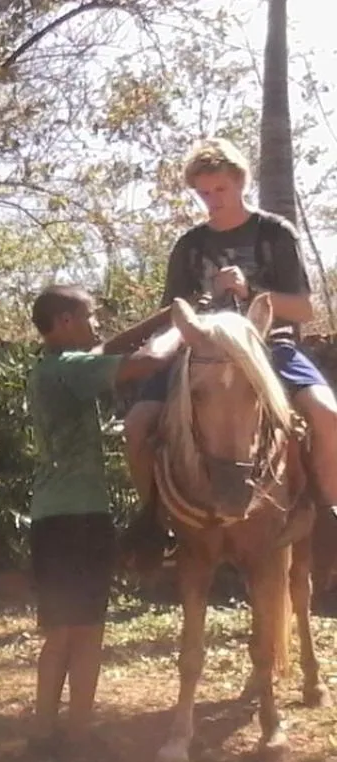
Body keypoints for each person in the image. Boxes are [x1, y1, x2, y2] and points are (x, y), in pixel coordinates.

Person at [125, 137, 337, 566]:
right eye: (203, 192)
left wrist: (250, 289)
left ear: (240, 183)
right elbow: (173, 312)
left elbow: (304, 308)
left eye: (219, 189)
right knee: (136, 424)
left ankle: (327, 511)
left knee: (325, 413)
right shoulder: (190, 245)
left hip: (268, 347)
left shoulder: (275, 233)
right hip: (200, 353)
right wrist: (204, 307)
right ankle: (152, 518)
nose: (212, 200)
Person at [27, 287, 169, 752]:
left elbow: (104, 350)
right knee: (74, 632)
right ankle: (55, 733)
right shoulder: (68, 369)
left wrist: (160, 317)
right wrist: (185, 329)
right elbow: (144, 364)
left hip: (67, 516)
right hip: (74, 521)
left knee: (80, 628)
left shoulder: (58, 365)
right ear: (66, 320)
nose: (96, 326)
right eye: (89, 317)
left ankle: (62, 733)